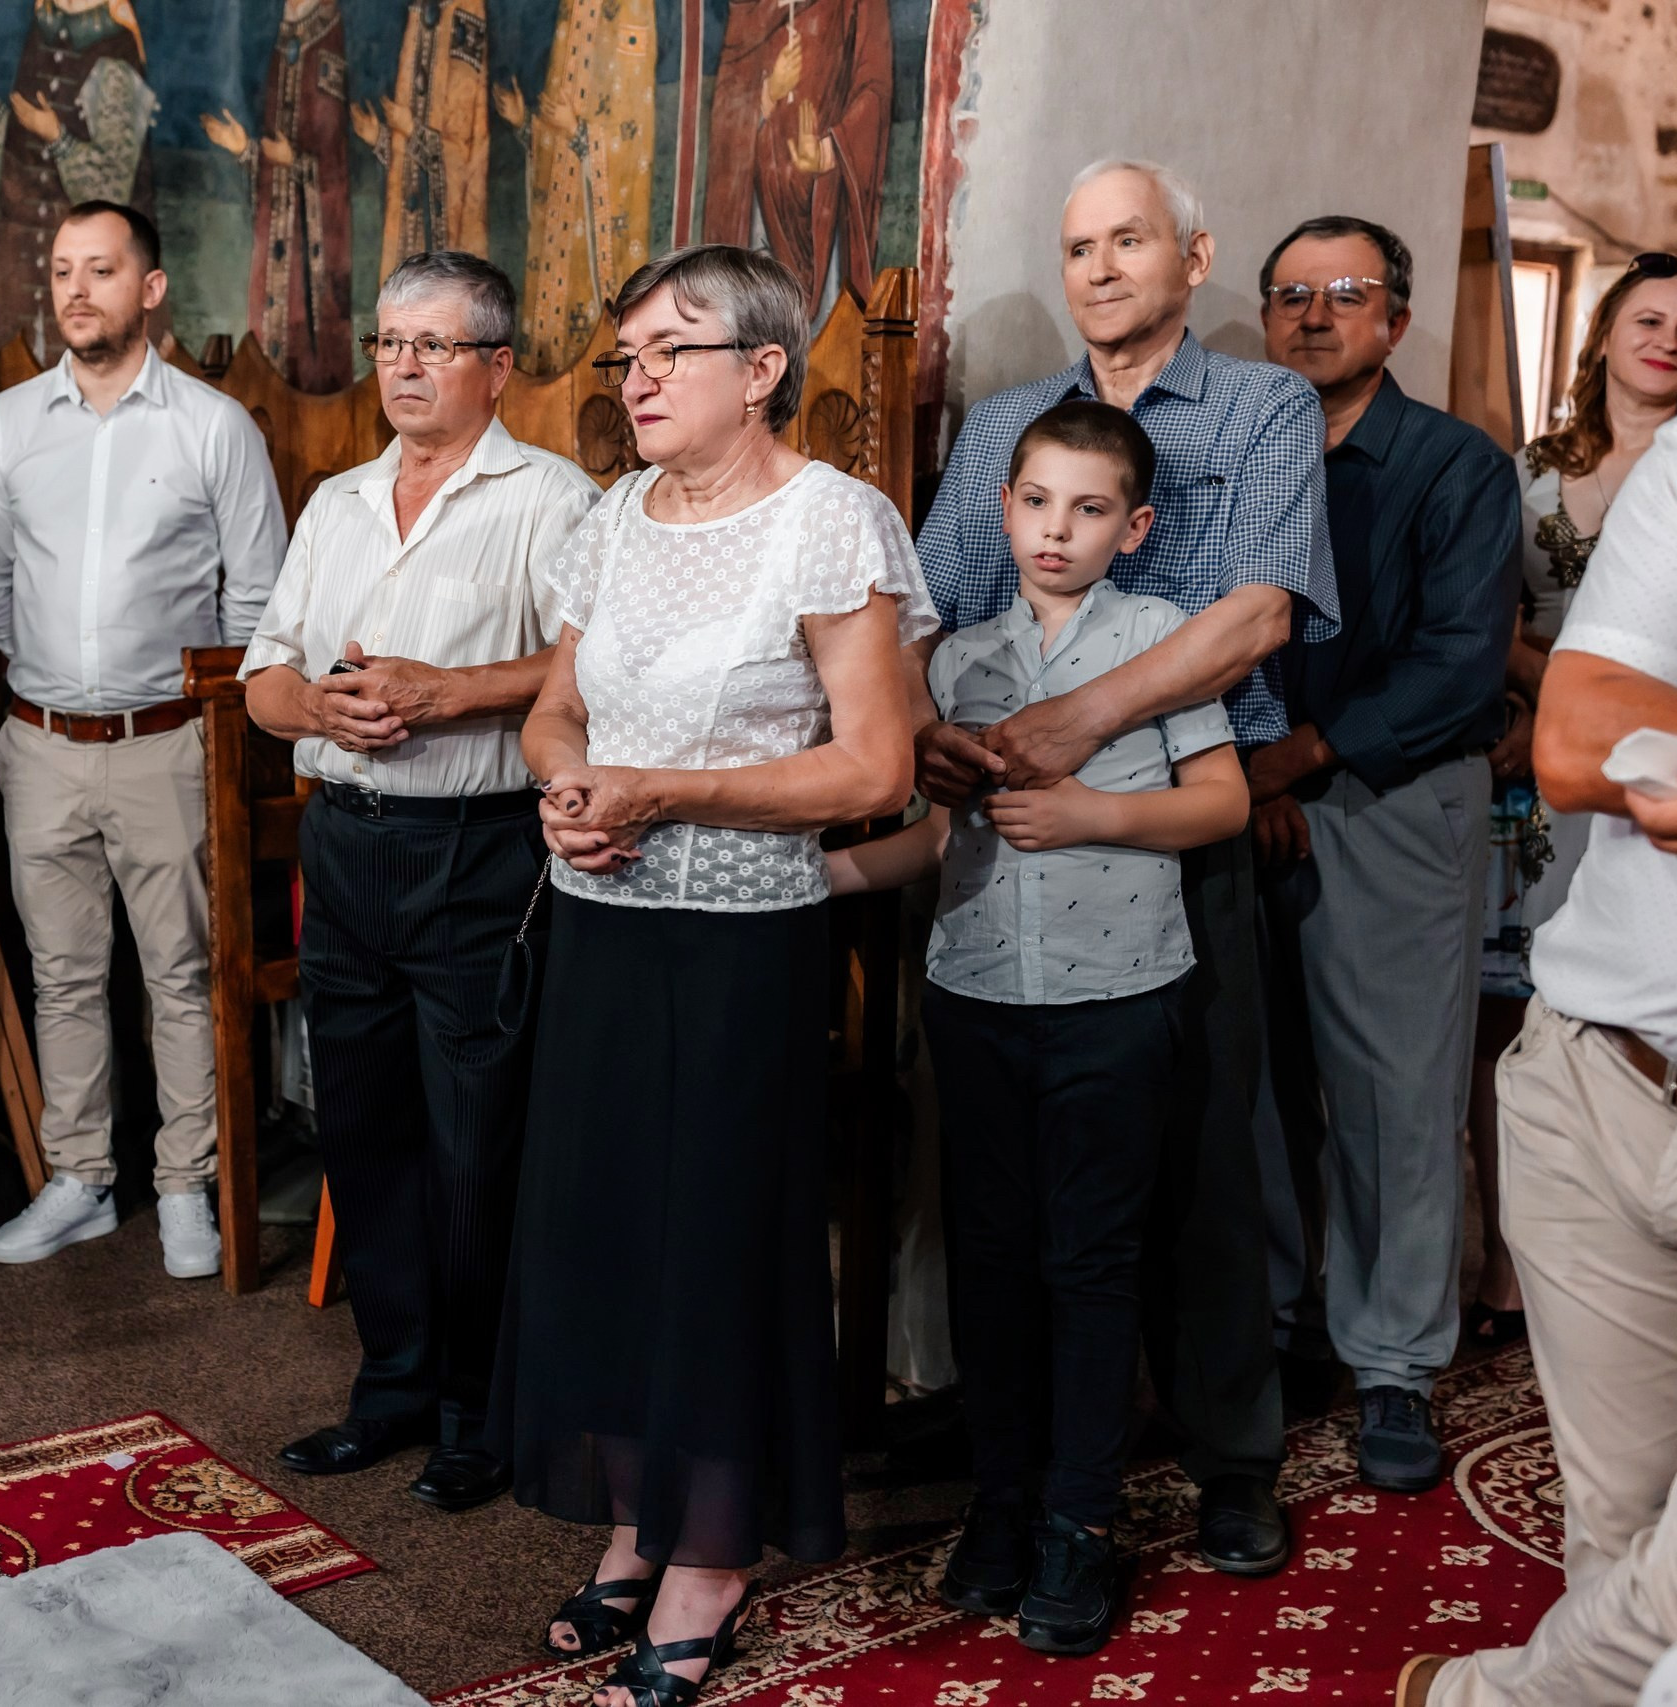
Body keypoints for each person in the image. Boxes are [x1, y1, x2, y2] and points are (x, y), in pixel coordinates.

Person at [492, 243, 931, 1707]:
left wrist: (663, 789)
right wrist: (569, 784)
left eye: (672, 350)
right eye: (628, 356)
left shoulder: (830, 520)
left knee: (717, 1235)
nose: (638, 378)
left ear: (762, 368)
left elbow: (874, 763)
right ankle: (636, 1508)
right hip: (601, 920)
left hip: (742, 938)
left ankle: (712, 1552)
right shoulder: (611, 517)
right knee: (607, 1225)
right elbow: (559, 712)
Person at [912, 158, 1337, 1576]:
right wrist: (942, 744)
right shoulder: (1003, 428)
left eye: (1130, 238)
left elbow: (1258, 614)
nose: (1100, 266)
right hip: (1003, 834)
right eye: (1078, 243)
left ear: (1192, 254)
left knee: (1207, 1162)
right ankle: (1023, 1474)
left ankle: (1229, 1454)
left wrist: (1076, 728)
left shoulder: (1262, 403)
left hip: (1183, 808)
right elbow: (941, 606)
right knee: (1022, 1194)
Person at [830, 400, 1247, 1656]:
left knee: (1090, 1262)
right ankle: (999, 1507)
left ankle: (1079, 1520)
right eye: (1035, 503)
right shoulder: (958, 661)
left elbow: (1219, 803)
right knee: (992, 1259)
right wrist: (822, 881)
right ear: (1002, 509)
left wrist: (1094, 818)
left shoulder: (1160, 639)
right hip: (975, 998)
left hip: (1117, 1000)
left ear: (1135, 527)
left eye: (1088, 508)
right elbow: (939, 836)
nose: (1056, 530)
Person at [244, 250, 596, 1512]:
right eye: (391, 341)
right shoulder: (338, 501)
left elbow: (586, 664)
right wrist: (324, 710)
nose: (403, 365)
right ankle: (389, 1384)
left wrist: (450, 692)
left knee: (472, 1145)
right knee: (364, 1127)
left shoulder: (555, 500)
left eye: (433, 345)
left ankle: (476, 1406)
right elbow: (265, 675)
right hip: (348, 842)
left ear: (495, 365)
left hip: (479, 847)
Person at [1397, 391, 1677, 1707]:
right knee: (1620, 1550)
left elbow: (1647, 744)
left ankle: (1472, 1699)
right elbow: (1580, 737)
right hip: (1598, 1076)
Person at [1245, 216, 1519, 1491]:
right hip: (1240, 792)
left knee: (1397, 1096)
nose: (1313, 313)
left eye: (1343, 294)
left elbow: (1462, 665)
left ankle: (1397, 1364)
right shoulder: (1239, 452)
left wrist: (1302, 755)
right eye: (1290, 293)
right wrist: (1241, 763)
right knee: (1262, 1082)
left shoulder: (1455, 464)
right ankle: (1290, 1324)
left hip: (1393, 795)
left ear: (1394, 321)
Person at [0, 202, 284, 1281]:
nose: (76, 291)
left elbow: (259, 603)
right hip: (41, 740)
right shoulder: (6, 425)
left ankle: (185, 1186)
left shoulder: (211, 426)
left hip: (169, 744)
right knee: (61, 974)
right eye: (61, 271)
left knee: (182, 975)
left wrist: (172, 715)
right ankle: (80, 1180)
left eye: (101, 271)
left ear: (149, 289)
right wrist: (64, 687)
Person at [1469, 254, 1677, 1345]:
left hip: (1646, 765)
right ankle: (1516, 1243)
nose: (1668, 342)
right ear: (1603, 332)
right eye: (1647, 319)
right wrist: (1539, 701)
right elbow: (1488, 611)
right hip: (1526, 745)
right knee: (1505, 1006)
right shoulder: (1527, 471)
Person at [0, 0, 153, 361]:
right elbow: (19, 166)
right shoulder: (41, 32)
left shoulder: (117, 52)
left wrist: (58, 137)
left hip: (88, 280)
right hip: (23, 262)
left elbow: (113, 192)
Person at [199, 0, 355, 392]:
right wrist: (244, 149)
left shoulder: (326, 37)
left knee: (308, 362)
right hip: (276, 241)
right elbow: (274, 156)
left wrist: (297, 162)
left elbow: (334, 160)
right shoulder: (286, 37)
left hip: (311, 249)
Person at [701, 0, 892, 314]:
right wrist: (768, 93)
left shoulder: (857, 5)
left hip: (821, 204)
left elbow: (874, 90)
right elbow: (726, 112)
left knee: (822, 339)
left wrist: (828, 151)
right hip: (761, 214)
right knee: (755, 315)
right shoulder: (751, 8)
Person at [494, 0, 654, 372]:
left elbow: (632, 131)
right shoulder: (571, 9)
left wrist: (579, 132)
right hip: (556, 241)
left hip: (593, 236)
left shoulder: (632, 10)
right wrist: (526, 125)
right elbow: (554, 138)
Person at [355, 0, 489, 283]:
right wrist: (380, 138)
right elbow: (410, 165)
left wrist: (411, 129)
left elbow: (461, 157)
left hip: (443, 248)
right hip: (408, 243)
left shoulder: (465, 14)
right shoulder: (418, 13)